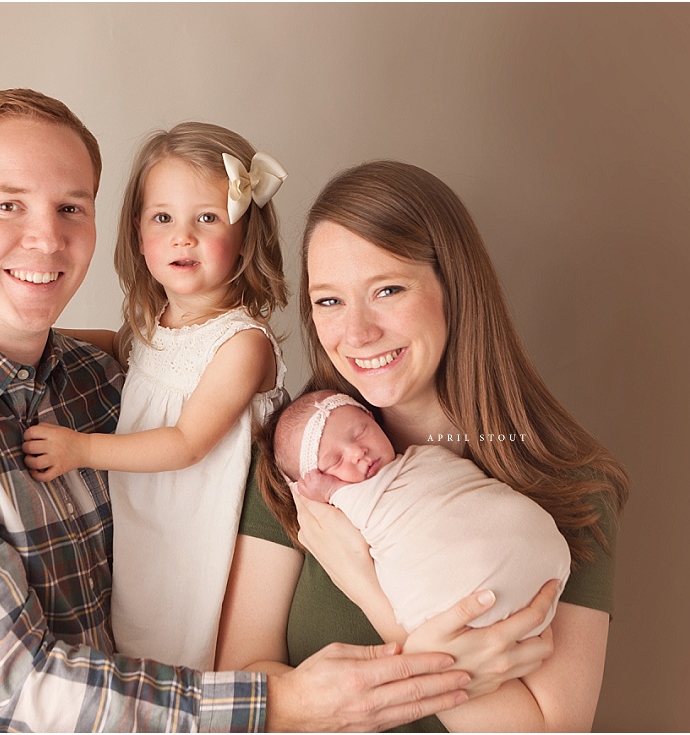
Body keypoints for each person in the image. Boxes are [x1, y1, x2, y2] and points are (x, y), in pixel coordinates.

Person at [0, 90, 479, 732]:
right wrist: (280, 703)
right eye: (7, 205)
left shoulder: (98, 384)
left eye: (71, 207)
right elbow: (15, 687)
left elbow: (174, 379)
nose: (47, 236)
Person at [217, 160, 629, 732]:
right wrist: (458, 672)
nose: (357, 334)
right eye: (329, 301)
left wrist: (372, 594)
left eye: (387, 289)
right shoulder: (300, 458)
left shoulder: (569, 488)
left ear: (454, 289)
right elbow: (241, 689)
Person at [21, 122, 290, 670]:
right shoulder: (156, 322)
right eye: (162, 218)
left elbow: (188, 443)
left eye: (207, 219)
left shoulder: (242, 343)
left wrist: (82, 449)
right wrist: (43, 335)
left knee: (188, 643)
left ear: (246, 235)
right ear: (138, 233)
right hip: (151, 519)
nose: (181, 236)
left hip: (203, 521)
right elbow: (129, 348)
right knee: (140, 640)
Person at [267, 388, 570, 637]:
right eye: (334, 461)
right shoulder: (348, 501)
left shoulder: (426, 456)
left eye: (360, 432)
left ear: (372, 419)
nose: (357, 452)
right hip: (472, 596)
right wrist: (330, 492)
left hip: (532, 547)